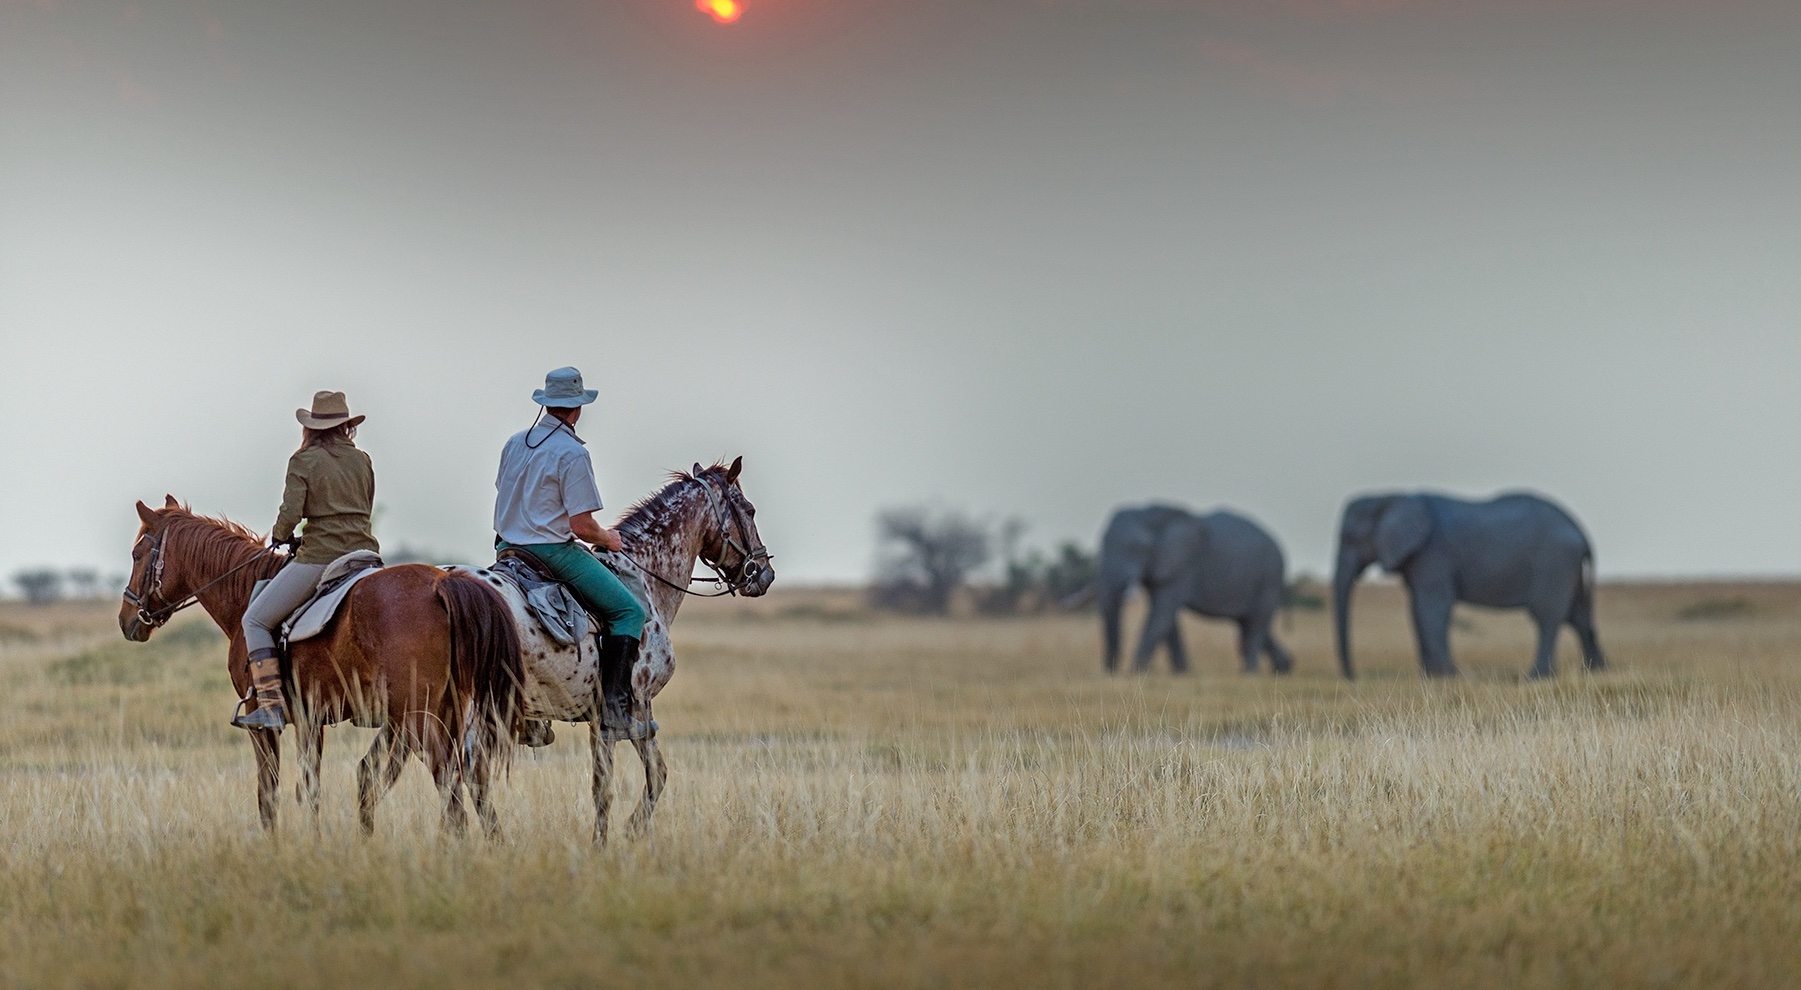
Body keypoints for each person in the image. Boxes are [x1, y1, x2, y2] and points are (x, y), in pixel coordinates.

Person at [494, 366, 650, 739]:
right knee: (630, 611)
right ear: (577, 409)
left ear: (547, 404)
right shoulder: (572, 453)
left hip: (505, 549)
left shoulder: (515, 442)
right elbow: (581, 526)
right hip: (551, 552)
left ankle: (529, 718)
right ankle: (615, 711)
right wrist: (608, 538)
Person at [234, 391, 381, 732]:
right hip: (365, 556)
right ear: (346, 426)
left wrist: (279, 535)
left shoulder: (304, 461)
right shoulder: (363, 461)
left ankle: (270, 705)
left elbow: (290, 515)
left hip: (320, 559)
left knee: (255, 620)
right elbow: (364, 508)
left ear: (312, 427)